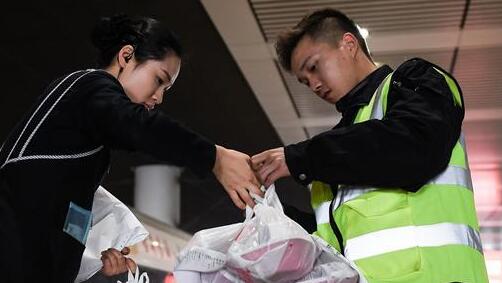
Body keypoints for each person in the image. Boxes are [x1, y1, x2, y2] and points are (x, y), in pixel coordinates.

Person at [0, 14, 262, 282]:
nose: (159, 97)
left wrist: (90, 261)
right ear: (126, 57)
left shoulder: (88, 131)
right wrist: (214, 157)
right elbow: (138, 127)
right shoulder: (88, 86)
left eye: (166, 89)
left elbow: (56, 210)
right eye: (159, 80)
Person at [251, 8, 489, 283]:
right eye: (305, 81)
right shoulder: (340, 145)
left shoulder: (413, 80)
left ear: (349, 44)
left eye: (314, 67)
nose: (314, 85)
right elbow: (335, 238)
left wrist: (297, 158)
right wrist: (269, 212)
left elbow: (415, 148)